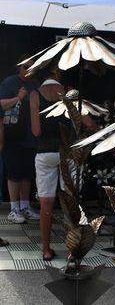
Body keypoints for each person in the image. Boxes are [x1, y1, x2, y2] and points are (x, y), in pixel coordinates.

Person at [30, 64, 68, 261]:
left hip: (44, 152)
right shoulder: (67, 92)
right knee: (70, 203)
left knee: (46, 203)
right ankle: (73, 251)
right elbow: (86, 122)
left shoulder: (35, 94)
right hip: (66, 151)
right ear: (56, 72)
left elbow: (36, 131)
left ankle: (46, 250)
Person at [0, 54, 40, 224]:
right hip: (13, 135)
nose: (28, 71)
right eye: (26, 67)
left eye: (32, 67)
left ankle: (25, 207)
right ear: (19, 67)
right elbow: (1, 104)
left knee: (26, 173)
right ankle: (14, 209)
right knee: (14, 173)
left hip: (30, 136)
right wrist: (18, 97)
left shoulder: (35, 84)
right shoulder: (10, 82)